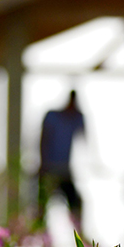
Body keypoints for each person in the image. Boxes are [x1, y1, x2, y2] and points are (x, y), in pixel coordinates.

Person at [38, 90, 85, 230]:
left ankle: (80, 237)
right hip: (49, 170)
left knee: (76, 206)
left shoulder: (77, 118)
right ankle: (39, 234)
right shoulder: (52, 117)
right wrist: (43, 164)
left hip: (64, 171)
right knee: (41, 207)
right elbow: (43, 140)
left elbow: (86, 139)